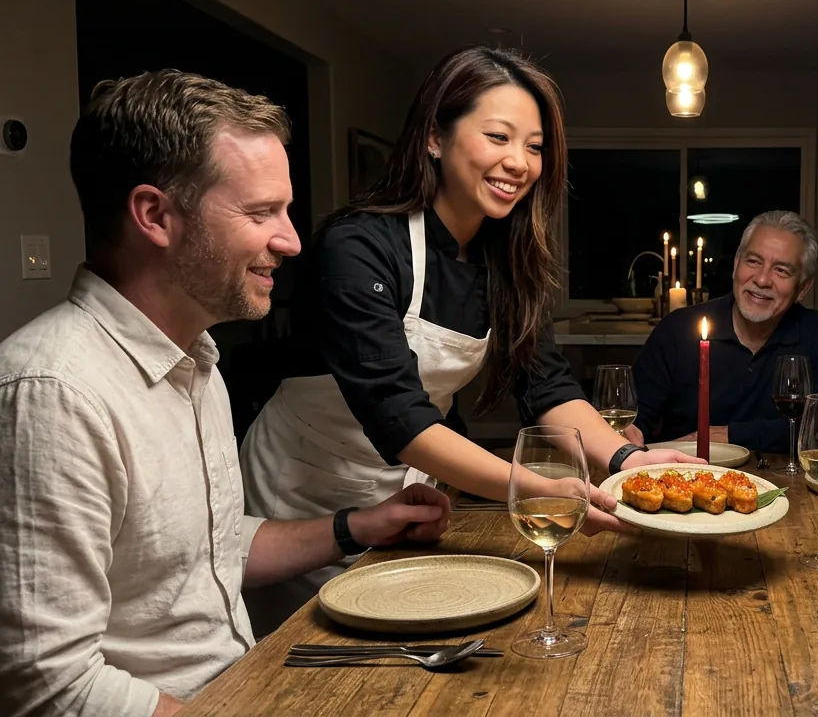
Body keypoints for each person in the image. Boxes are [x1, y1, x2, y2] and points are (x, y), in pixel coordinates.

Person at [0, 71, 452, 717]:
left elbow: (205, 551)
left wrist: (359, 527)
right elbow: (46, 683)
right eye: (261, 211)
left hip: (244, 685)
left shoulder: (197, 359)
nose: (292, 240)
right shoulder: (53, 394)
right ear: (155, 215)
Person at [237, 46, 695, 632]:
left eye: (534, 147)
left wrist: (629, 462)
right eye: (499, 137)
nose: (520, 163)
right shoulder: (358, 245)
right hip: (299, 499)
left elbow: (548, 385)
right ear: (434, 137)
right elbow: (400, 417)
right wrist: (541, 491)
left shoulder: (503, 261)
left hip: (405, 501)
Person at [626, 210, 818, 453]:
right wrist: (626, 436)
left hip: (786, 484)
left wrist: (730, 435)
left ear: (803, 287)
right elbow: (632, 422)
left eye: (781, 270)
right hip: (681, 478)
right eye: (754, 261)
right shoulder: (678, 329)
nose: (761, 279)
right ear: (737, 264)